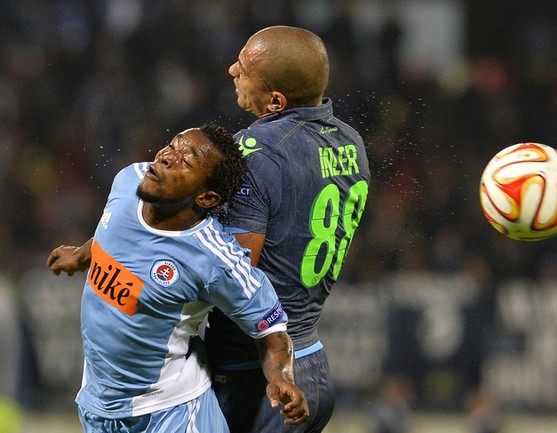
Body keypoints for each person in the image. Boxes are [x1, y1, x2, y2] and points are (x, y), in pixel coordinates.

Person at [46, 123, 309, 433]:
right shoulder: (128, 181)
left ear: (206, 197)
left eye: (186, 160)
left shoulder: (214, 260)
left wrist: (281, 377)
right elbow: (114, 231)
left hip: (172, 414)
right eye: (171, 145)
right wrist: (82, 254)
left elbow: (272, 332)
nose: (166, 156)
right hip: (98, 406)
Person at [204, 26, 371, 433]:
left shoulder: (256, 152)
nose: (232, 71)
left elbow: (235, 275)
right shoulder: (352, 143)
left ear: (276, 101)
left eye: (244, 69)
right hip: (311, 361)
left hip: (255, 377)